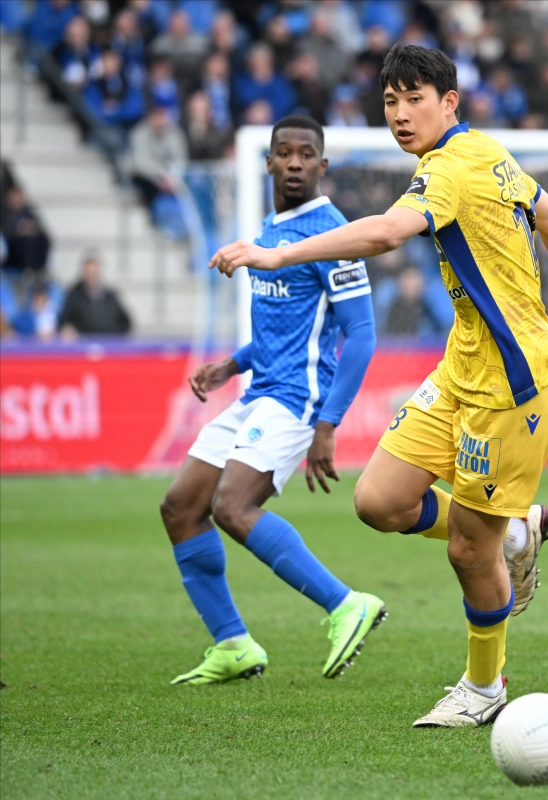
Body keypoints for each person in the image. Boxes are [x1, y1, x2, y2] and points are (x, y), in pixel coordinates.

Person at [210, 45, 548, 727]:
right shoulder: (486, 150)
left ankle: (484, 690)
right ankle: (516, 533)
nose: (399, 114)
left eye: (414, 99)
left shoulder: (450, 169)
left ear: (450, 103)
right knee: (380, 499)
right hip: (461, 369)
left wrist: (278, 253)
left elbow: (387, 234)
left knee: (466, 548)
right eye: (390, 101)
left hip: (511, 386)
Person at [160, 116, 384, 686]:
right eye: (283, 152)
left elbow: (360, 334)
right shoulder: (270, 227)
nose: (293, 162)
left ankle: (345, 604)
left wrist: (328, 423)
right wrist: (231, 365)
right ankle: (233, 643)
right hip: (257, 392)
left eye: (305, 154)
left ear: (322, 166)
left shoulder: (335, 234)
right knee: (182, 506)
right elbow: (282, 330)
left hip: (297, 400)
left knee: (233, 507)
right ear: (268, 163)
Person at [58, 253, 132, 337]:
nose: (91, 277)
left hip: (108, 344)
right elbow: (64, 322)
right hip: (83, 344)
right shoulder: (74, 296)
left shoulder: (110, 296)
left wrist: (114, 336)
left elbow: (125, 322)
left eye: (94, 273)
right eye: (88, 273)